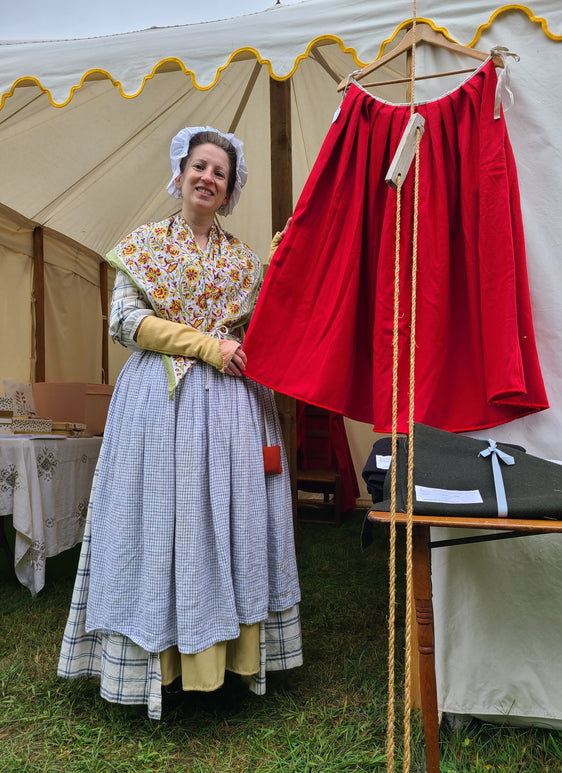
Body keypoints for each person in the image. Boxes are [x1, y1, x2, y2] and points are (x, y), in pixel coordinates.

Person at [58, 126, 302, 720]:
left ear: (229, 187)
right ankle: (159, 662)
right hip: (156, 410)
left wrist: (285, 267)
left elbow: (256, 332)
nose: (207, 178)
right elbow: (125, 322)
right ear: (180, 172)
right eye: (200, 166)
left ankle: (226, 660)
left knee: (226, 521)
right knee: (157, 521)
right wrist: (203, 344)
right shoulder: (145, 246)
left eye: (219, 171)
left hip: (230, 413)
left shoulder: (243, 261)